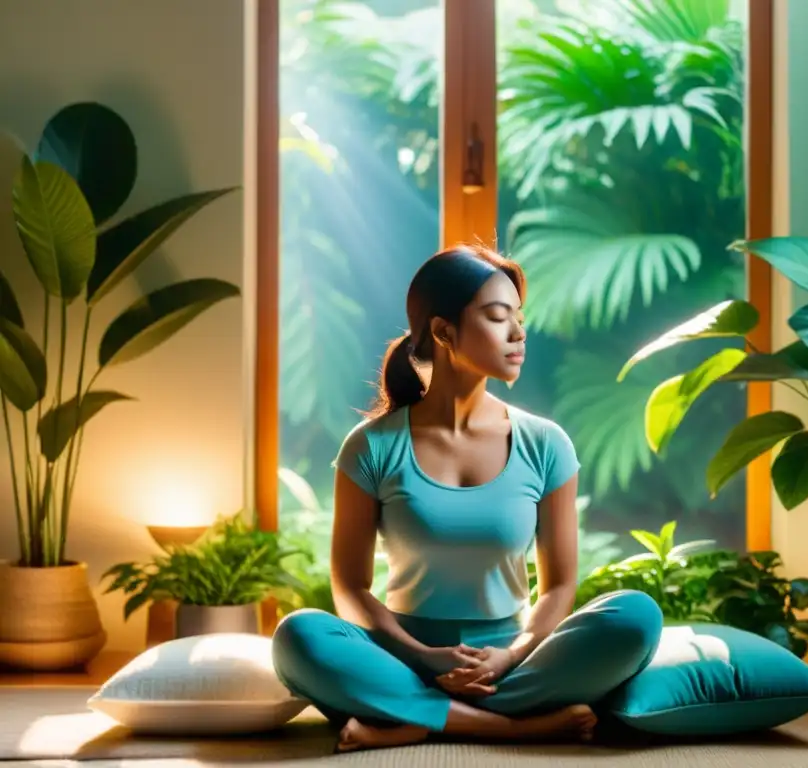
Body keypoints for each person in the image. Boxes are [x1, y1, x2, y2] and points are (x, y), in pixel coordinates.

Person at [271, 244, 663, 753]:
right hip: (404, 658)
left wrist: (510, 656)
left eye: (519, 318)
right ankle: (511, 727)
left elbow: (561, 584)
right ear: (443, 331)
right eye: (499, 318)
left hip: (512, 663)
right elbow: (350, 587)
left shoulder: (546, 444)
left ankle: (414, 717)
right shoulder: (371, 446)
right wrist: (425, 658)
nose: (519, 334)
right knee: (299, 636)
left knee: (636, 616)